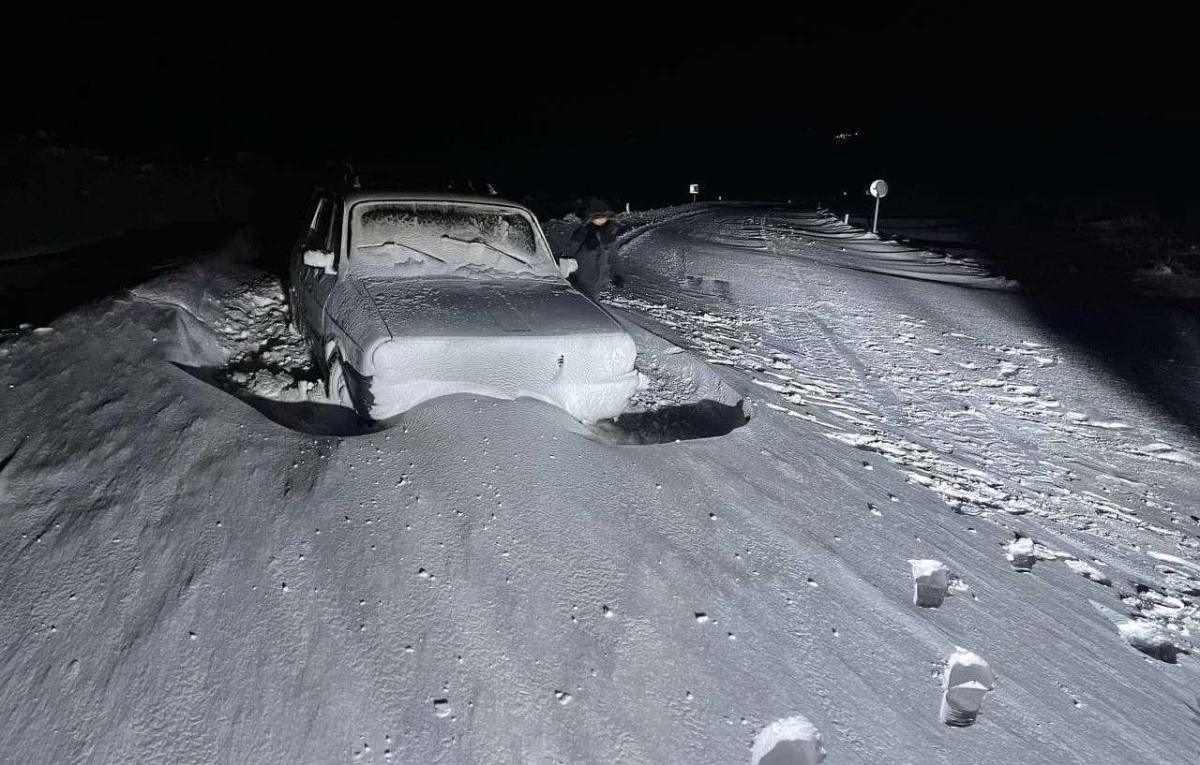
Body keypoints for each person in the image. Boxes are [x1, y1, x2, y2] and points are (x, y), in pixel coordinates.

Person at [567, 197, 622, 298]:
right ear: (591, 216)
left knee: (593, 302)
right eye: (598, 215)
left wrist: (615, 274)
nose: (601, 218)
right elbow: (570, 254)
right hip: (581, 279)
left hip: (599, 280)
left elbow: (613, 257)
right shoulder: (582, 232)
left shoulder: (610, 234)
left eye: (604, 215)